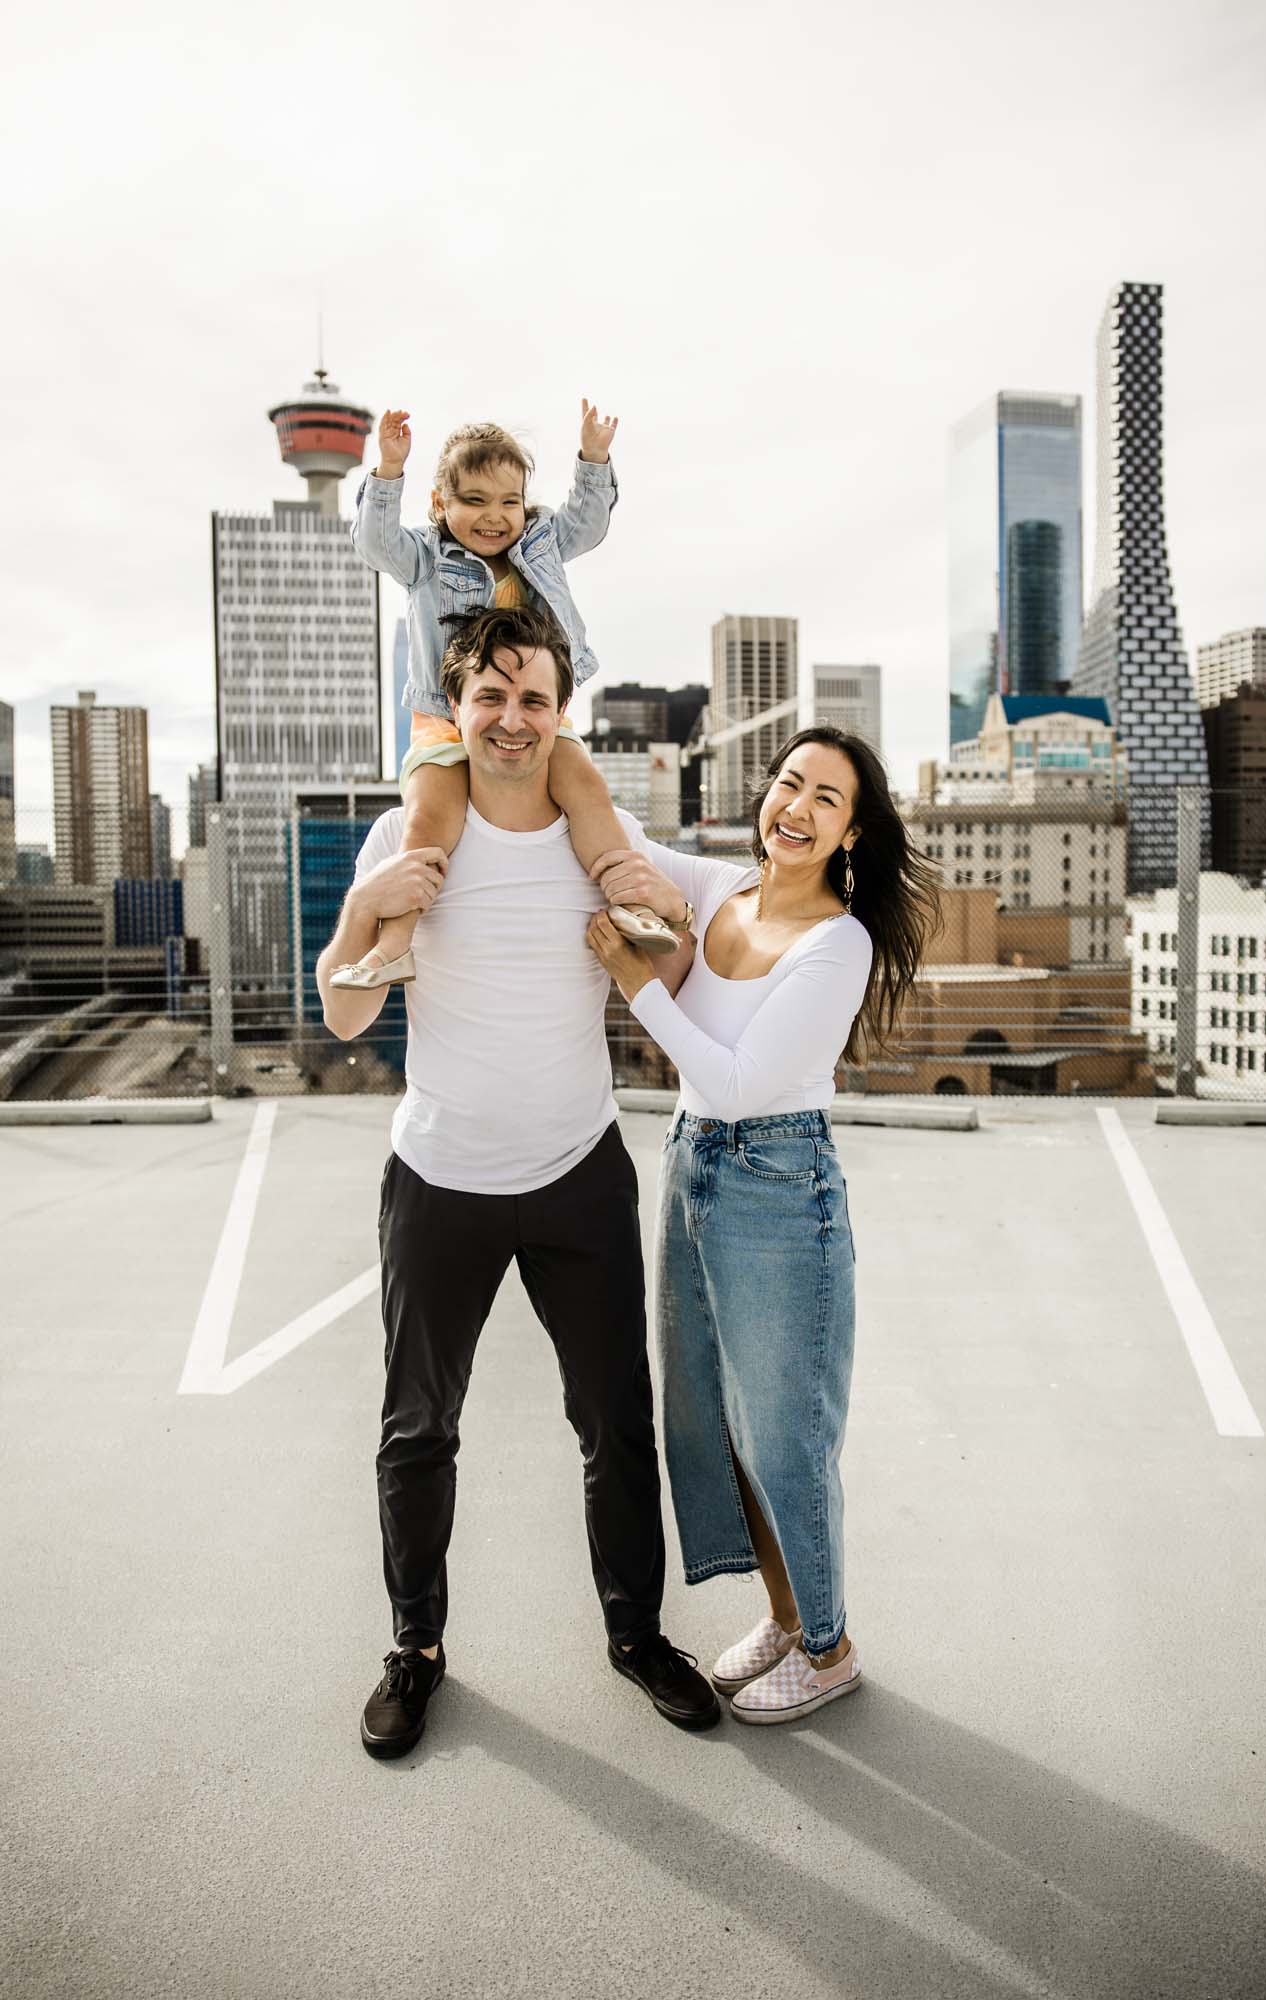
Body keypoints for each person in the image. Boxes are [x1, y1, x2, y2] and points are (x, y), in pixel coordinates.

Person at [316, 604, 717, 1759]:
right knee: (416, 1429)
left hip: (576, 1170)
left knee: (615, 1423)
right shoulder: (406, 834)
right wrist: (360, 908)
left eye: (533, 697)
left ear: (560, 712)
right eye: (490, 697)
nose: (512, 717)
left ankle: (637, 1634)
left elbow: (672, 972)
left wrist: (667, 913)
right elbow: (343, 1013)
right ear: (457, 711)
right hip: (439, 1176)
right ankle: (415, 1647)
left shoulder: (606, 838)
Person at [587, 727, 939, 1724]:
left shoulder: (838, 941)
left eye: (825, 797)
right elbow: (602, 823)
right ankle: (784, 1617)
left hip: (777, 1178)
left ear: (851, 830)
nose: (797, 806)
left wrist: (636, 984)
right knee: (717, 1420)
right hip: (693, 1161)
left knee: (786, 1435)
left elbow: (738, 1082)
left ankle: (828, 1648)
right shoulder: (714, 890)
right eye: (789, 782)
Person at [331, 403, 677, 991]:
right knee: (428, 819)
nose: (494, 517)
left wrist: (593, 458)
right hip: (445, 718)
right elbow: (375, 541)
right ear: (441, 504)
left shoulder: (540, 540)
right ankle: (393, 947)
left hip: (534, 713)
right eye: (473, 500)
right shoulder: (425, 556)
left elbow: (587, 524)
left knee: (587, 791)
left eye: (508, 501)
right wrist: (389, 469)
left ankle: (630, 902)